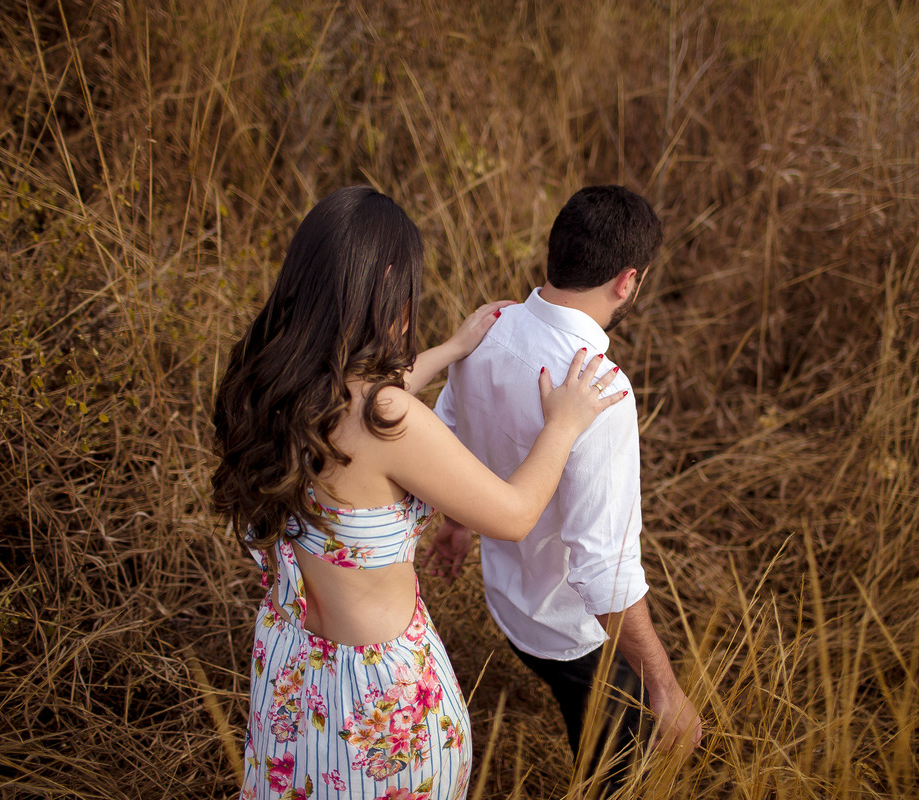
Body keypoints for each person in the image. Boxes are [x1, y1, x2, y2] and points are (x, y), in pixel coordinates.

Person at [210, 186, 626, 800]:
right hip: (379, 700)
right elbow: (514, 514)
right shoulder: (389, 418)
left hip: (294, 667)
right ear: (385, 287)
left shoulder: (264, 382)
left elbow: (352, 400)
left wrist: (451, 349)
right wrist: (563, 425)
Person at [427, 185, 703, 792]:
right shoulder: (602, 391)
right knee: (619, 776)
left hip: (506, 601)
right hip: (569, 631)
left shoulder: (488, 328)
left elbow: (453, 432)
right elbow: (603, 568)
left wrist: (454, 523)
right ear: (628, 282)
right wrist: (664, 688)